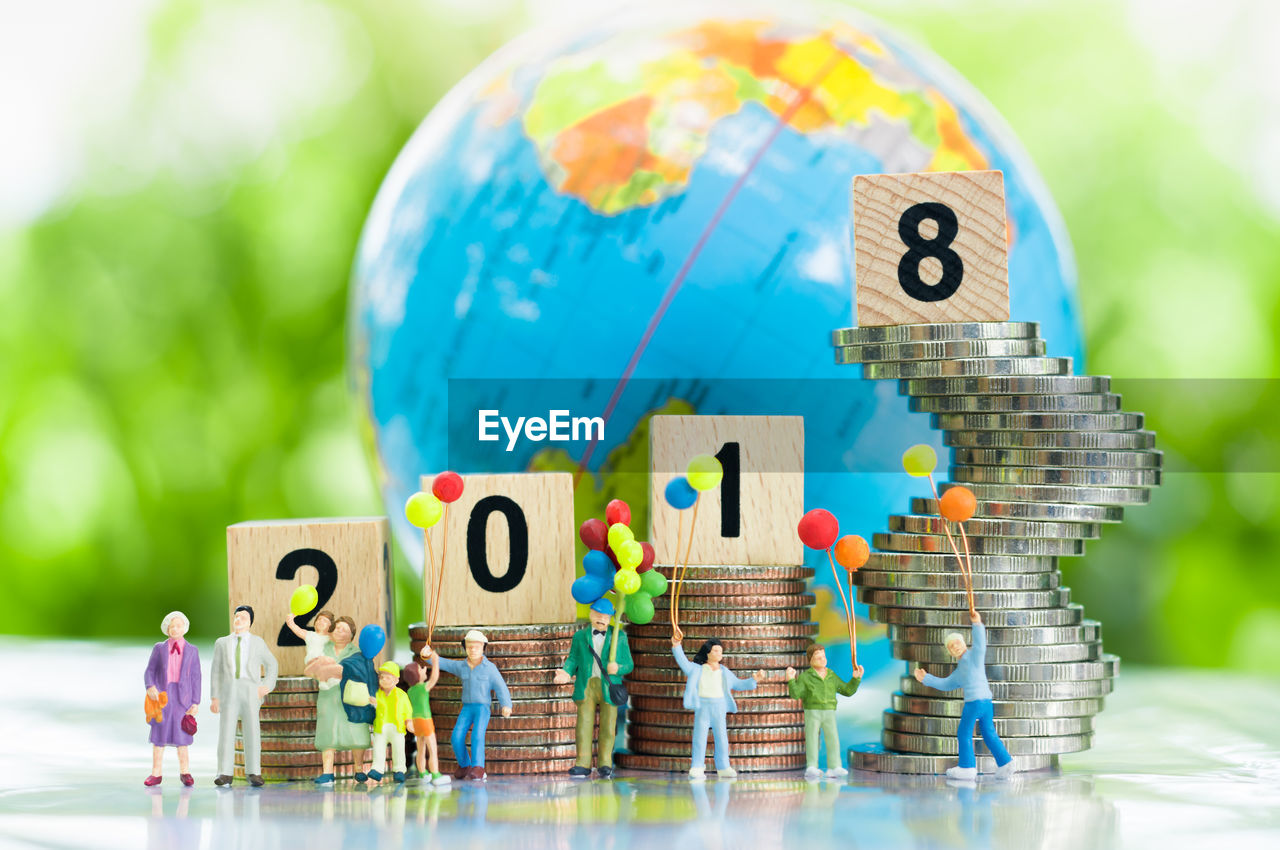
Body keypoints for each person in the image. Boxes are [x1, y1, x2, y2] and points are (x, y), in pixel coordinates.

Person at [912, 610, 1016, 780]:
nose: (955, 647)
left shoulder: (974, 657)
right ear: (950, 652)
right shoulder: (960, 671)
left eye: (957, 643)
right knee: (989, 733)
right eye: (951, 647)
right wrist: (927, 678)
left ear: (963, 643)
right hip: (986, 703)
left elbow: (981, 645)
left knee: (964, 733)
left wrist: (977, 624)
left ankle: (967, 767)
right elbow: (946, 684)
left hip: (974, 703)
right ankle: (1005, 762)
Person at [554, 598, 633, 778]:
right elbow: (573, 659)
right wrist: (566, 673)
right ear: (590, 614)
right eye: (598, 614)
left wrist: (618, 668)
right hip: (587, 685)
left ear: (611, 618)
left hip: (609, 686)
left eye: (605, 616)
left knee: (608, 727)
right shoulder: (580, 637)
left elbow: (629, 664)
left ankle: (605, 763)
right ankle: (582, 763)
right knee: (583, 725)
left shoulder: (619, 637)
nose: (601, 619)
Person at [670, 634, 764, 780]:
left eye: (720, 651)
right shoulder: (697, 669)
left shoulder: (724, 672)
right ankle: (697, 767)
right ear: (707, 652)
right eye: (715, 650)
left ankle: (723, 766)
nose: (719, 653)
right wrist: (676, 646)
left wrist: (753, 680)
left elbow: (738, 684)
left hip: (719, 708)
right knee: (699, 738)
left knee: (722, 738)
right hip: (703, 707)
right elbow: (684, 663)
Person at [429, 630, 512, 781]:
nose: (473, 650)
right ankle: (465, 765)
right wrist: (429, 656)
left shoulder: (490, 669)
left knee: (477, 736)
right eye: (469, 647)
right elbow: (445, 663)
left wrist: (506, 704)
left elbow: (501, 687)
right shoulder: (462, 666)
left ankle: (478, 767)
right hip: (467, 708)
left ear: (483, 648)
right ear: (465, 647)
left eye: (476, 647)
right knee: (456, 737)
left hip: (482, 708)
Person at [211, 605, 278, 787]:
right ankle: (224, 772)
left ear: (250, 622)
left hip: (250, 689)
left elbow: (272, 664)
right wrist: (215, 697)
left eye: (244, 617)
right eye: (237, 616)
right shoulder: (222, 643)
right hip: (230, 689)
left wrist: (266, 686)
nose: (239, 620)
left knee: (252, 731)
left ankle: (254, 772)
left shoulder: (257, 642)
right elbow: (216, 671)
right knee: (226, 731)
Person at [301, 614, 371, 784]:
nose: (340, 631)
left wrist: (335, 670)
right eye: (337, 628)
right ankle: (327, 771)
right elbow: (310, 669)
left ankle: (359, 768)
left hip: (351, 698)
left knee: (356, 733)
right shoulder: (323, 648)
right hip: (328, 697)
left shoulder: (356, 652)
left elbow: (361, 672)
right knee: (327, 734)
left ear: (352, 635)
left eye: (344, 629)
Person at [786, 644, 862, 779]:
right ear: (810, 660)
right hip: (812, 711)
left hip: (829, 711)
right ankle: (811, 767)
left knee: (833, 739)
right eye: (818, 656)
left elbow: (847, 691)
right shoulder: (805, 677)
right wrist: (791, 680)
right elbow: (796, 694)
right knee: (812, 739)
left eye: (823, 656)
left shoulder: (831, 675)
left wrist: (856, 679)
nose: (822, 659)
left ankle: (834, 766)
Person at [143, 611, 201, 786]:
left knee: (182, 736)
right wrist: (150, 686)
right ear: (167, 629)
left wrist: (196, 701)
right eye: (172, 626)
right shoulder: (159, 648)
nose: (175, 629)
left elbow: (196, 677)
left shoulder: (192, 650)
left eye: (179, 625)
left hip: (183, 697)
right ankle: (156, 773)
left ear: (184, 627)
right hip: (163, 695)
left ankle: (185, 771)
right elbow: (150, 671)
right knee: (159, 735)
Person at [405, 646, 449, 785]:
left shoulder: (410, 691)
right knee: (432, 748)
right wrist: (435, 661)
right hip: (425, 719)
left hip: (416, 721)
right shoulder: (423, 688)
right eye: (421, 669)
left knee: (421, 748)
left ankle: (423, 772)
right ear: (418, 676)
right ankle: (435, 774)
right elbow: (434, 678)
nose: (425, 670)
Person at [367, 662, 413, 783]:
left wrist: (409, 722)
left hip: (397, 728)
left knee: (398, 748)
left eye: (388, 677)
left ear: (396, 680)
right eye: (382, 677)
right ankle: (377, 769)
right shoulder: (377, 694)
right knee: (378, 748)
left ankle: (399, 770)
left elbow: (407, 710)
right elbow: (374, 708)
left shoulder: (402, 695)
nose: (384, 680)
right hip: (381, 727)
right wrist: (371, 704)